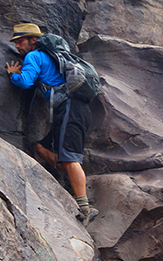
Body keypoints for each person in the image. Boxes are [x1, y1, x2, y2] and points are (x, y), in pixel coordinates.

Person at [6, 22, 98, 225]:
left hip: (70, 108)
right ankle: (71, 175)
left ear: (34, 40)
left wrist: (13, 74)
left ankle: (85, 208)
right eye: (15, 43)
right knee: (41, 147)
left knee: (71, 157)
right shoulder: (54, 57)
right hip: (75, 108)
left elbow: (25, 82)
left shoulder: (34, 56)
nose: (17, 47)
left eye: (20, 41)